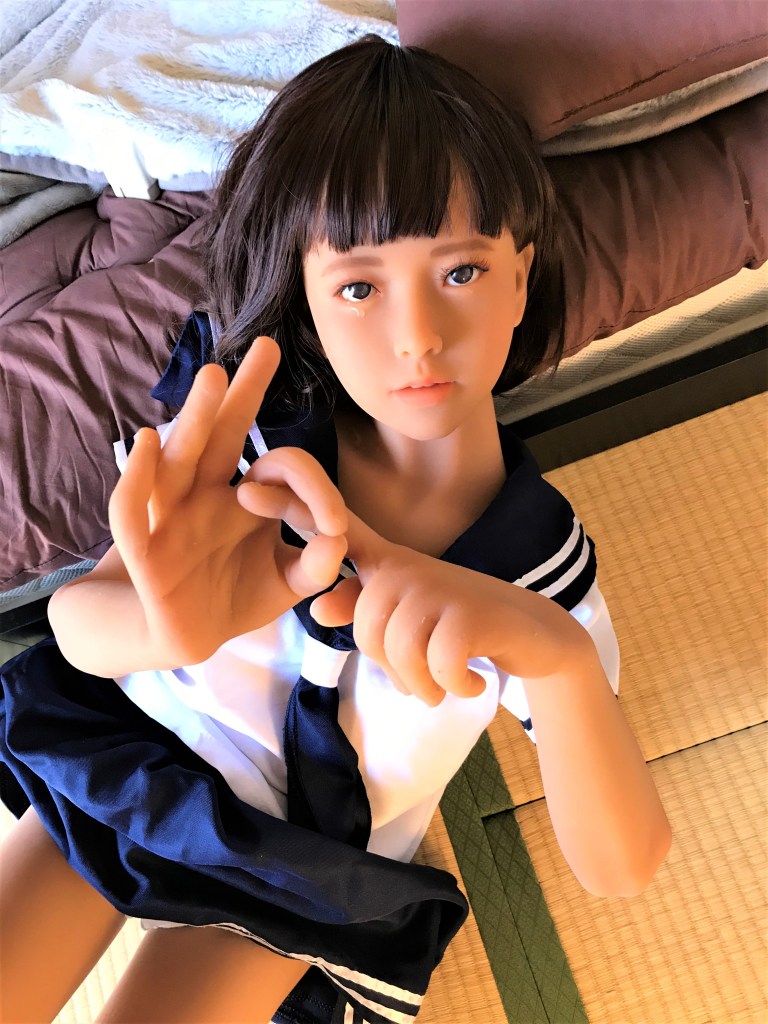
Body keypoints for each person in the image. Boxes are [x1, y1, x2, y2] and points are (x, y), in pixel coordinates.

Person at [0, 34, 671, 1024]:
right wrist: (163, 627)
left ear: (521, 278)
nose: (417, 337)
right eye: (359, 287)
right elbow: (77, 622)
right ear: (308, 301)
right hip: (132, 749)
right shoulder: (249, 429)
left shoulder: (534, 562)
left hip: (304, 862)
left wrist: (558, 656)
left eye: (461, 272)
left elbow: (624, 864)